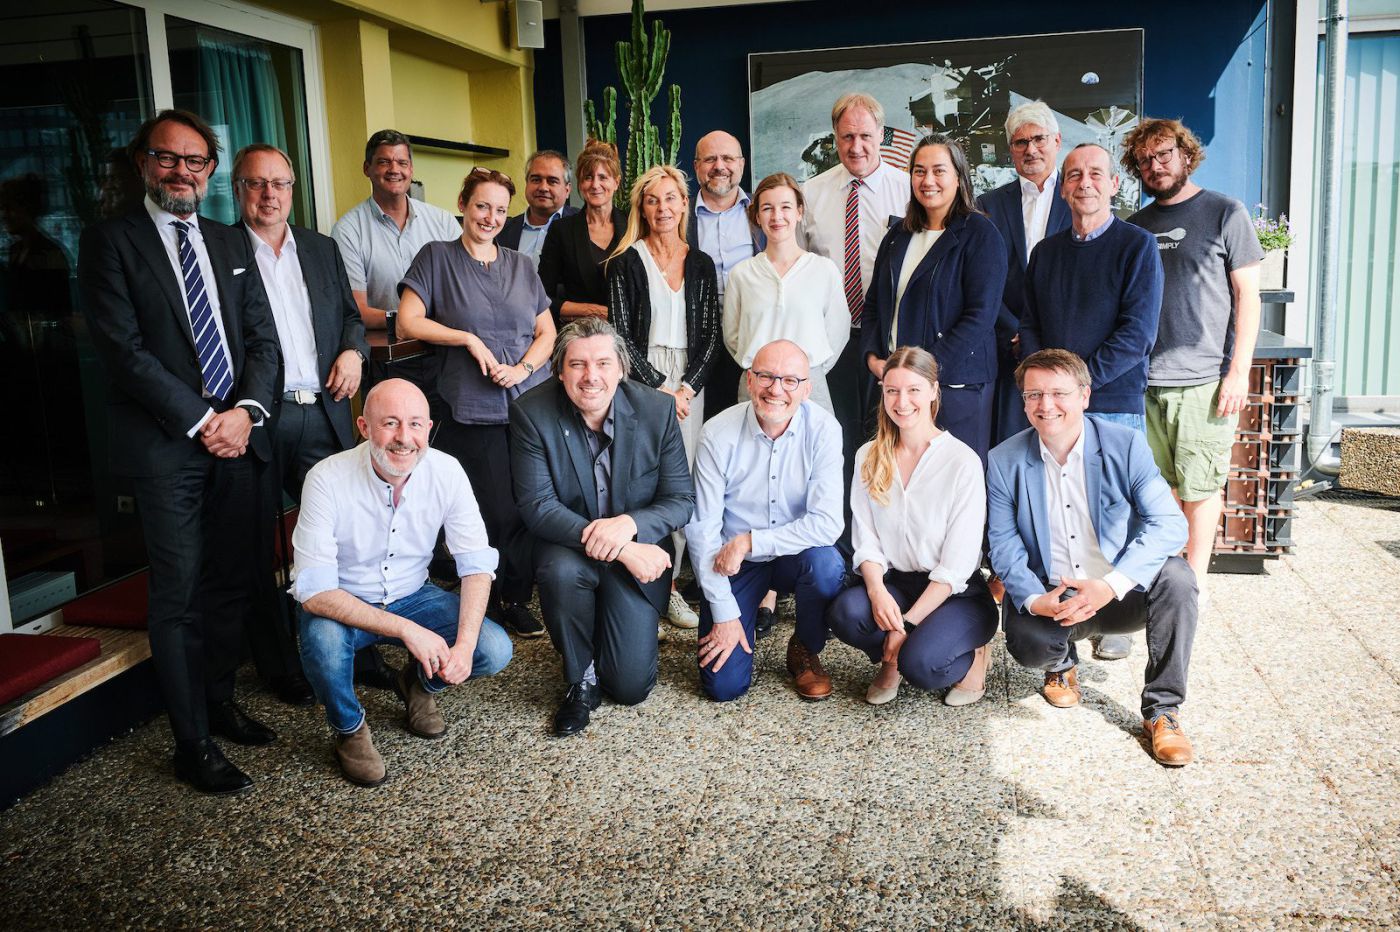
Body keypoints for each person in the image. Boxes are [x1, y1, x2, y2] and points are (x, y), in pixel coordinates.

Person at [77, 109, 279, 794]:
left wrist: (245, 414)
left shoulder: (228, 240)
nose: (181, 172)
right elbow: (124, 353)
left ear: (211, 171)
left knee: (231, 582)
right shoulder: (111, 242)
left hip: (238, 439)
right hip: (168, 448)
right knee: (179, 595)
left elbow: (262, 341)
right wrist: (203, 420)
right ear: (144, 163)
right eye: (167, 158)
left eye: (195, 161)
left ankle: (219, 702)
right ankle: (191, 744)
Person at [292, 379, 513, 786]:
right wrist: (408, 631)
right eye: (390, 423)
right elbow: (315, 592)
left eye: (414, 424)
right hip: (345, 602)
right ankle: (349, 729)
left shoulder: (446, 471)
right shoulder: (326, 478)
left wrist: (464, 646)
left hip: (413, 594)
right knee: (322, 645)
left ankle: (416, 683)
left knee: (493, 648)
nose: (404, 438)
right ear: (364, 427)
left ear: (428, 428)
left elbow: (476, 563)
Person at [988, 349, 1198, 766]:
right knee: (1029, 646)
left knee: (1178, 577)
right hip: (1056, 595)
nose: (1046, 405)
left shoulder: (1125, 444)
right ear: (1024, 402)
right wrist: (1034, 599)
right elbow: (1003, 542)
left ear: (1084, 396)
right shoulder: (1004, 459)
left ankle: (1163, 711)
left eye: (1059, 393)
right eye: (1034, 394)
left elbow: (1170, 524)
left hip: (1119, 590)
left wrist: (1110, 585)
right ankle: (1061, 664)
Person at [230, 143, 369, 706]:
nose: (269, 195)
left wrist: (354, 352)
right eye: (257, 183)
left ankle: (362, 651)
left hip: (323, 412)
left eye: (280, 184)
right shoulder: (221, 250)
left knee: (344, 537)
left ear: (293, 189)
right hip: (258, 419)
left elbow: (352, 319)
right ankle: (279, 666)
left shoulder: (320, 247)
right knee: (256, 545)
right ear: (238, 190)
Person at [510, 318, 695, 737]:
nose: (590, 376)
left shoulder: (657, 410)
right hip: (569, 546)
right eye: (577, 364)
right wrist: (624, 547)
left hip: (635, 546)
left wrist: (629, 525)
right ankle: (581, 678)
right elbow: (538, 507)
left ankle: (603, 626)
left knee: (630, 688)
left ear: (622, 369)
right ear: (560, 372)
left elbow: (681, 500)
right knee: (560, 572)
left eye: (602, 363)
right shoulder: (531, 413)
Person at [396, 167, 555, 638]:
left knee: (529, 504)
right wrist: (466, 338)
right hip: (471, 408)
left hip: (529, 404)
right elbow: (408, 321)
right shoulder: (436, 257)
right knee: (492, 510)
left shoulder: (522, 265)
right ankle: (487, 597)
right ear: (463, 204)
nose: (490, 217)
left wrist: (523, 368)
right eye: (482, 205)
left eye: (500, 210)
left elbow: (546, 332)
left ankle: (515, 597)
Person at [1020, 143, 1164, 662]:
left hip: (1112, 399)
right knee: (1060, 513)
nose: (1085, 183)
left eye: (1096, 174)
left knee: (1113, 513)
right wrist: (1049, 389)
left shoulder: (1137, 246)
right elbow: (1030, 323)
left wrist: (1078, 387)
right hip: (1055, 406)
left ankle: (1113, 613)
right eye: (1075, 175)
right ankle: (1064, 615)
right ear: (1062, 187)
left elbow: (1137, 334)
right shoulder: (1046, 253)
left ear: (1114, 185)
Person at [329, 129, 460, 688]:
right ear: (368, 168)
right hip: (388, 364)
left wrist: (423, 320)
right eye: (383, 162)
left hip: (443, 361)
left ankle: (427, 573)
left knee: (437, 465)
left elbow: (461, 284)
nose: (394, 170)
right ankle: (382, 593)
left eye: (402, 162)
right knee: (389, 466)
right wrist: (410, 316)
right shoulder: (350, 229)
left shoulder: (441, 221)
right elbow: (354, 307)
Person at [1123, 118, 1263, 589]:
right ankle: (1165, 580)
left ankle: (1194, 585)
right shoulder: (1136, 227)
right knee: (1157, 488)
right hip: (1144, 382)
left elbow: (1248, 296)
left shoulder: (1225, 212)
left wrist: (1238, 372)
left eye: (1163, 154)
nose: (1155, 165)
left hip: (1203, 380)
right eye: (1144, 160)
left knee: (1200, 486)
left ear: (1186, 155)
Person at [827, 347, 996, 706]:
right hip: (897, 582)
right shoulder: (868, 455)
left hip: (955, 592)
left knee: (923, 665)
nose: (902, 402)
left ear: (934, 391)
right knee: (846, 613)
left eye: (913, 390)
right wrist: (877, 592)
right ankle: (892, 660)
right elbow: (866, 539)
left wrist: (906, 626)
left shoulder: (961, 461)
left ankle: (973, 654)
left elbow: (957, 565)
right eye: (892, 390)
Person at [685, 340, 846, 702]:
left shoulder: (824, 429)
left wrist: (751, 540)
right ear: (749, 380)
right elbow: (702, 531)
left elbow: (827, 524)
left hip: (792, 555)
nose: (776, 389)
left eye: (790, 380)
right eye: (766, 377)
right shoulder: (717, 433)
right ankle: (741, 621)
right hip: (734, 562)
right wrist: (725, 614)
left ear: (807, 389)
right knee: (724, 687)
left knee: (827, 565)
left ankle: (805, 646)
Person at [606, 163, 721, 629]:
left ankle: (672, 583)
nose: (662, 208)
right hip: (639, 379)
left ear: (684, 204)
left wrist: (685, 388)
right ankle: (641, 581)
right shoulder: (624, 263)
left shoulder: (701, 264)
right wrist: (660, 388)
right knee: (640, 477)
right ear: (641, 208)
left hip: (689, 384)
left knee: (682, 479)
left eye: (671, 198)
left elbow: (711, 337)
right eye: (652, 200)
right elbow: (619, 337)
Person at [863, 133, 1007, 464]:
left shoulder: (981, 235)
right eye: (919, 171)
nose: (928, 180)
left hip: (957, 388)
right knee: (899, 476)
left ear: (959, 177)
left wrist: (923, 373)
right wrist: (872, 357)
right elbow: (874, 306)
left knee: (953, 480)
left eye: (939, 171)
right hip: (898, 388)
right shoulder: (897, 236)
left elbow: (980, 317)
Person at [798, 92, 909, 505]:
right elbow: (798, 267)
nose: (856, 146)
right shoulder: (811, 194)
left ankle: (887, 524)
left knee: (890, 436)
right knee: (838, 438)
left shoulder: (908, 190)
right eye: (847, 137)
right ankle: (842, 529)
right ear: (835, 137)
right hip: (832, 341)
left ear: (881, 134)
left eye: (865, 135)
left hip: (890, 336)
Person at [977, 100, 1071, 446]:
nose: (1030, 149)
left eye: (1039, 139)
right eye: (1020, 142)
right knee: (1010, 447)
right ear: (1011, 149)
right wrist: (1017, 332)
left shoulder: (1078, 198)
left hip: (1065, 350)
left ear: (1057, 141)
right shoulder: (988, 205)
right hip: (1008, 350)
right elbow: (983, 280)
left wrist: (1046, 334)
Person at [723, 173, 848, 413]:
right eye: (767, 208)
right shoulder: (742, 274)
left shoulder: (824, 270)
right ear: (757, 216)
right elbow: (732, 336)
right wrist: (761, 370)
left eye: (786, 207)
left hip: (809, 386)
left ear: (799, 212)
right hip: (756, 385)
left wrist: (806, 373)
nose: (777, 216)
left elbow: (838, 331)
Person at [689, 130, 764, 418]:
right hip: (696, 344)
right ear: (697, 166)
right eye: (710, 159)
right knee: (705, 423)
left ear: (741, 164)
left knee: (752, 418)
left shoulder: (762, 212)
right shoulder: (679, 215)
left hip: (751, 338)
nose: (719, 166)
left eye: (728, 158)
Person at [538, 141, 626, 328]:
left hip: (629, 333)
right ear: (579, 182)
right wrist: (591, 311)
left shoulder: (634, 226)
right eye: (588, 177)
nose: (595, 185)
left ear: (616, 182)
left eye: (603, 177)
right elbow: (542, 297)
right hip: (579, 332)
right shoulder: (561, 230)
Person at [497, 149, 577, 265]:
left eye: (552, 181)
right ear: (527, 183)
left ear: (567, 190)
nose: (543, 188)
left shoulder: (584, 225)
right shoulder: (502, 230)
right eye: (536, 180)